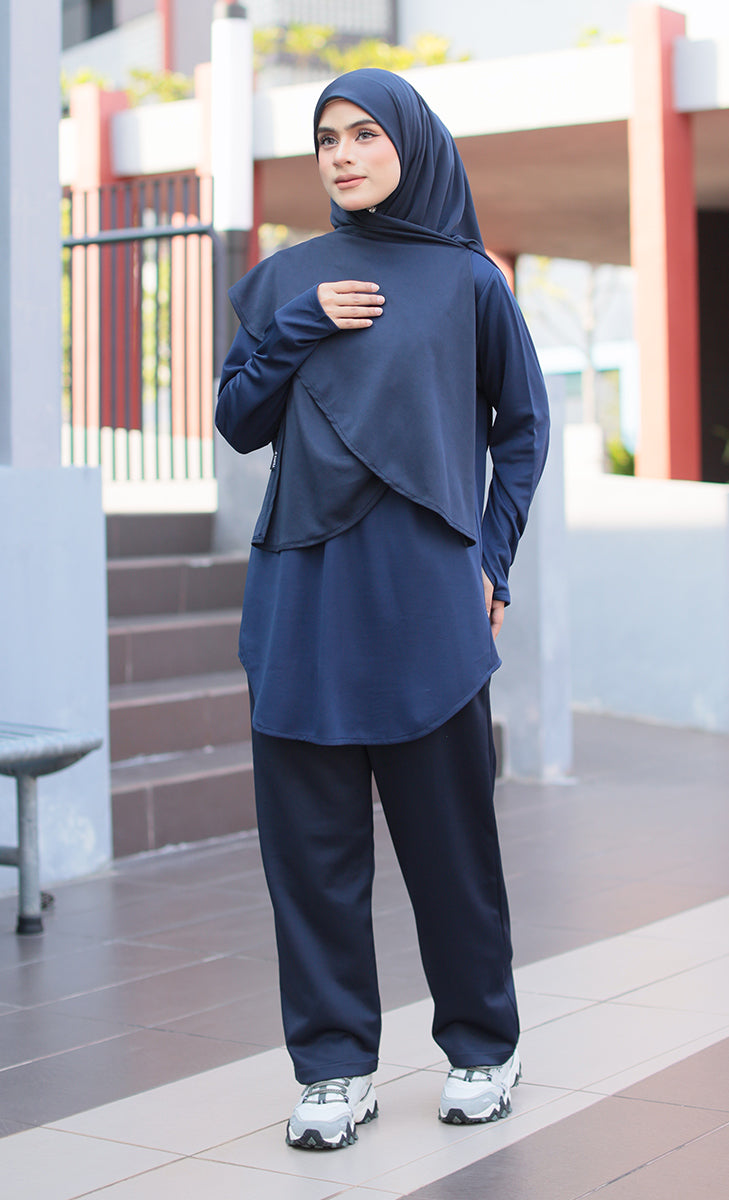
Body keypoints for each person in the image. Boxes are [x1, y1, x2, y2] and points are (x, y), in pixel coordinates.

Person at [215, 67, 550, 1151]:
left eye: (364, 133)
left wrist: (490, 560)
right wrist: (297, 325)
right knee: (309, 854)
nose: (343, 155)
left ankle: (482, 1046)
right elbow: (237, 418)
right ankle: (333, 1068)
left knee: (450, 849)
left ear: (411, 142)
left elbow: (522, 429)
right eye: (326, 139)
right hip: (301, 599)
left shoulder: (468, 282)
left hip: (424, 601)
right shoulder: (287, 278)